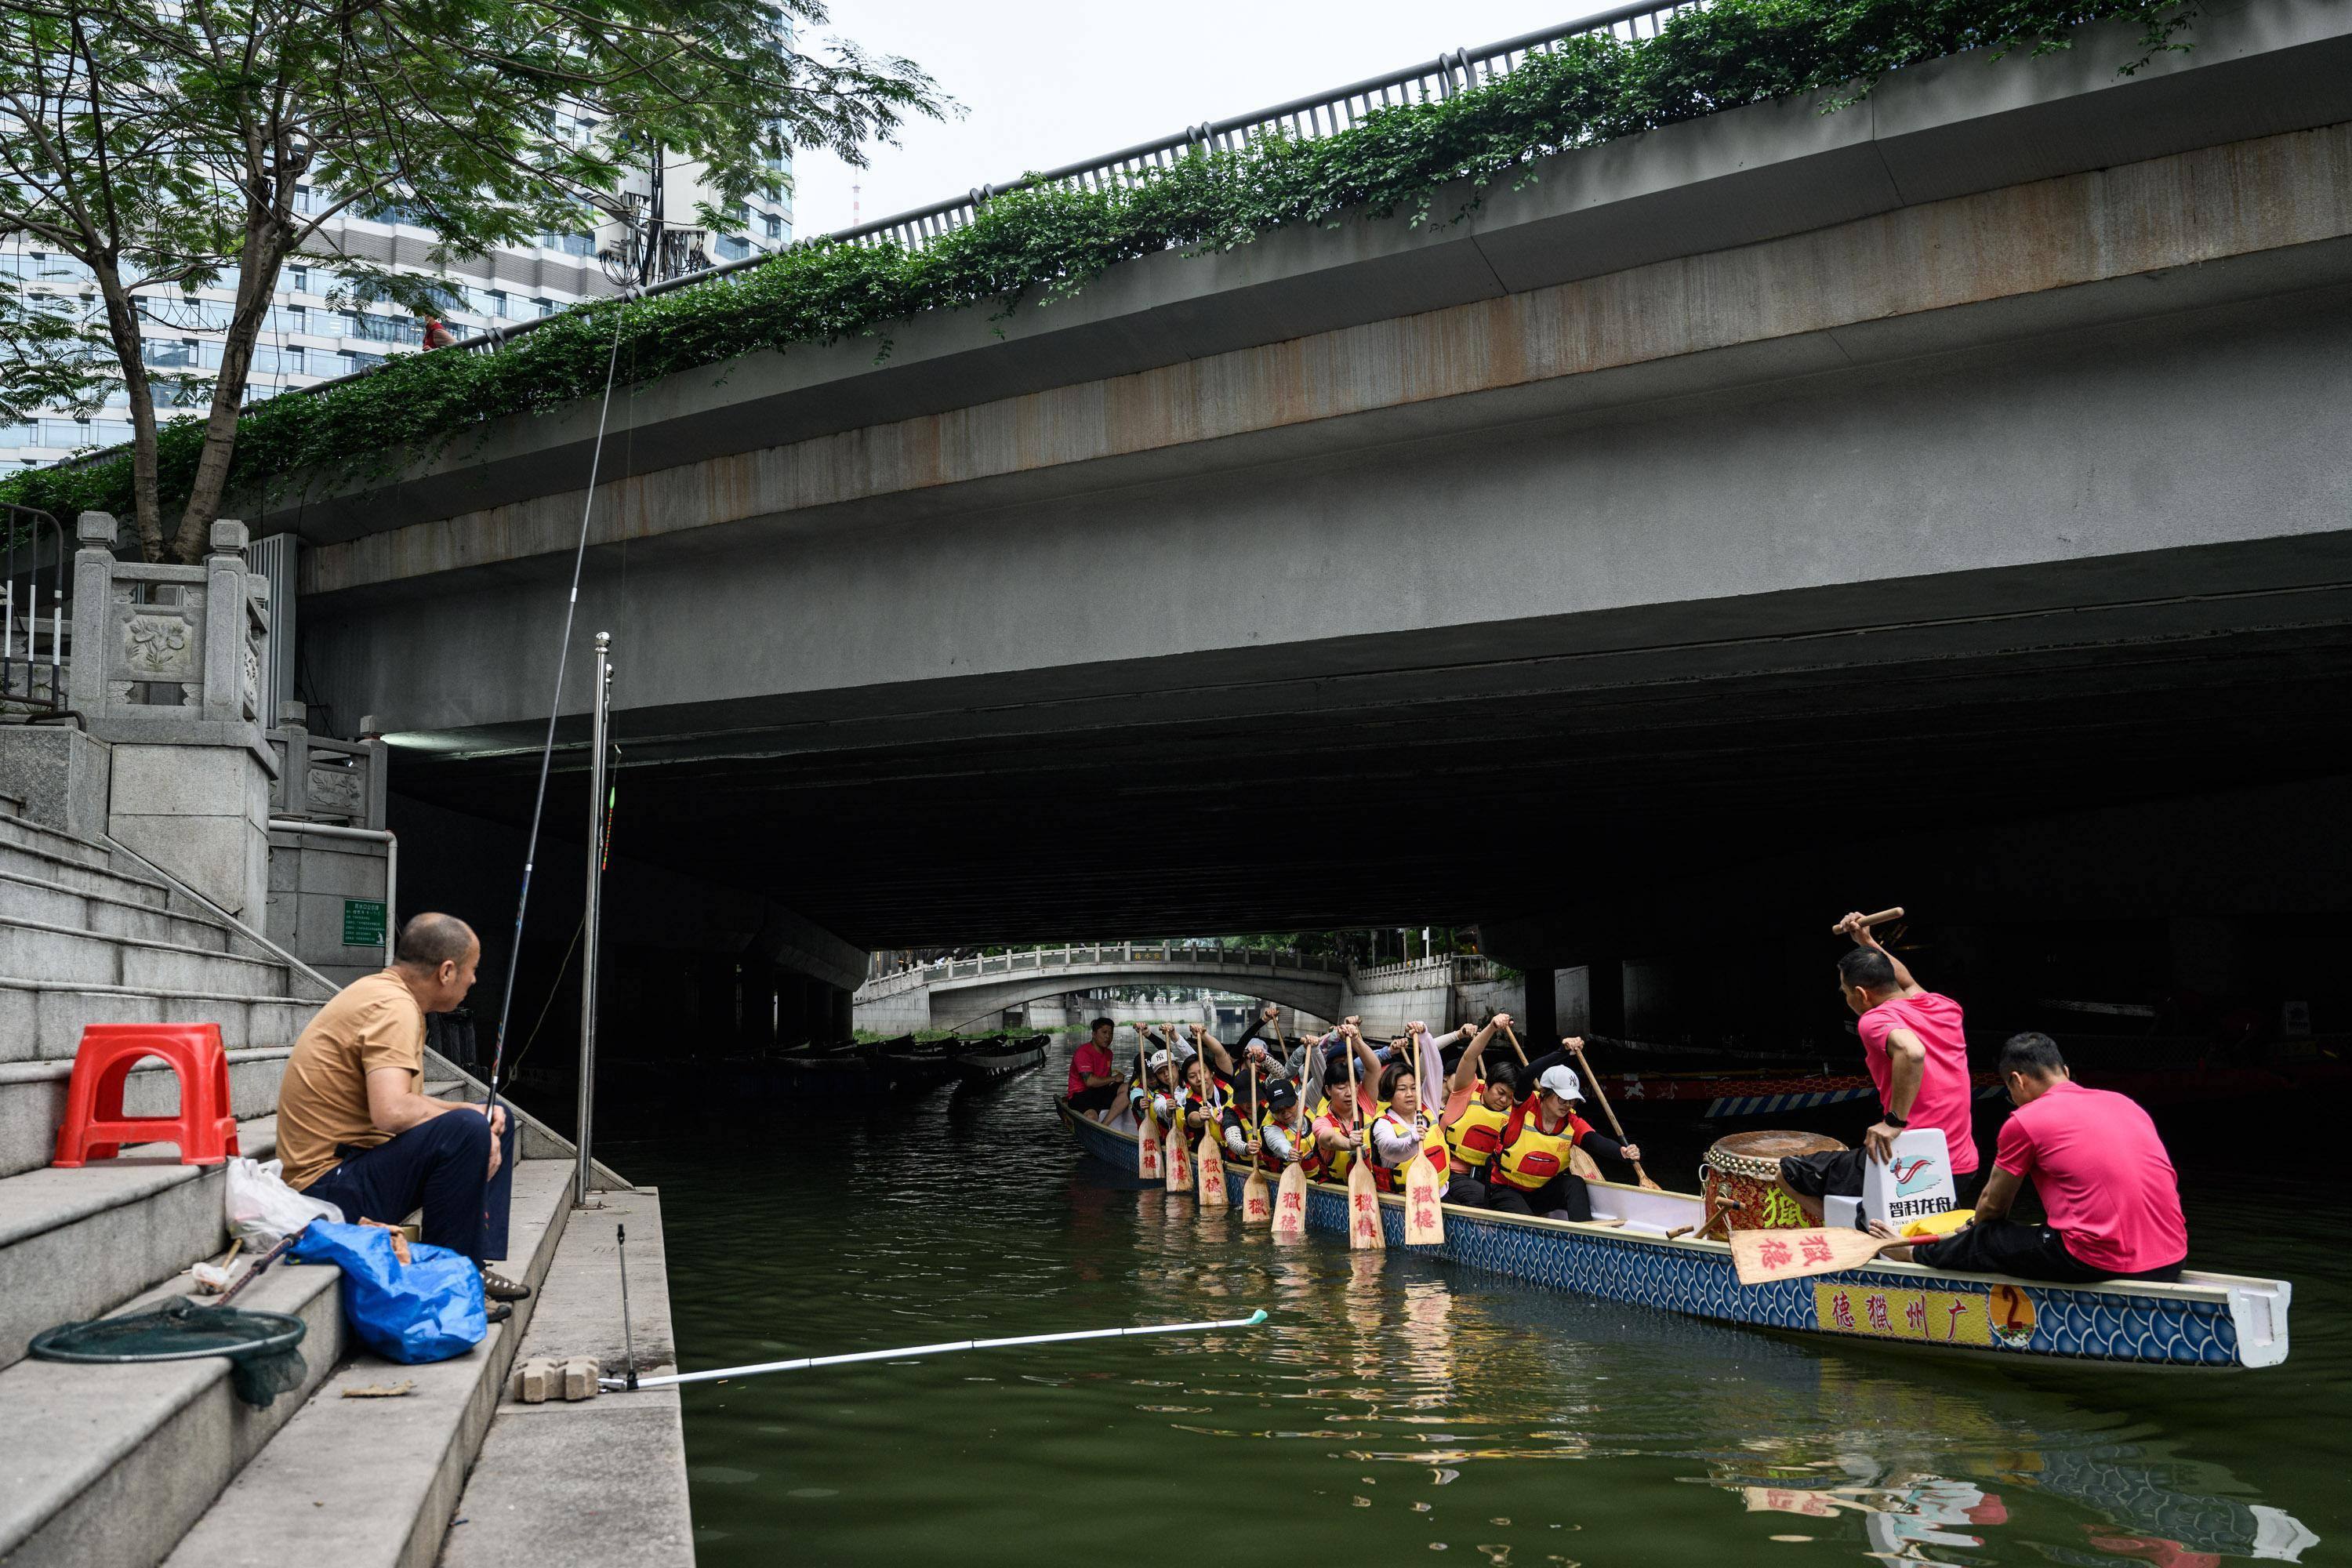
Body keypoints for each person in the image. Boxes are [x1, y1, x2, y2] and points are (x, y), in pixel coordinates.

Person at [276, 913, 527, 1312]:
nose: (474, 981)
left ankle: (473, 1263)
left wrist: (475, 1111)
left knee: (492, 1114)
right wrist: (470, 1121)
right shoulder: (394, 1008)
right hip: (325, 1190)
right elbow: (391, 1112)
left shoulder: (385, 994)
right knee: (468, 1128)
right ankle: (453, 1276)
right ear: (447, 971)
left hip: (352, 1168)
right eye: (472, 970)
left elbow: (405, 1107)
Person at [1875, 1033, 2188, 1283]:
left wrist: (1968, 1231)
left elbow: (1993, 1208)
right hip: (2173, 1256)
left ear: (2018, 1081)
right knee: (2028, 1230)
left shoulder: (2026, 1120)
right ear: (2065, 1072)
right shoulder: (2124, 1103)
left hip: (2096, 1260)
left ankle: (1910, 1256)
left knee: (1987, 1238)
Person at [1777, 912, 1980, 1222]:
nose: (1847, 999)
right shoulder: (1943, 1006)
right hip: (1960, 1168)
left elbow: (1912, 1052)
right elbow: (1907, 980)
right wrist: (1868, 942)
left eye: (1846, 993)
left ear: (1861, 994)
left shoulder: (1874, 1020)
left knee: (1787, 1174)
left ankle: (1852, 1231)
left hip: (1905, 1165)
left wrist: (1894, 1122)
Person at [1486, 1048, 1642, 1221]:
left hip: (1540, 1192)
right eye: (1562, 1099)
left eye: (1572, 1100)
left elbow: (1595, 1141)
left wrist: (1623, 1152)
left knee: (1574, 1183)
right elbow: (1526, 1075)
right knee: (1528, 1220)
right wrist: (1563, 1052)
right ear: (1545, 1093)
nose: (1567, 1105)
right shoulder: (1524, 1106)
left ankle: (1584, 1237)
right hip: (1506, 1190)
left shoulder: (1572, 1122)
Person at [1440, 1013, 1516, 1205]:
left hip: (1489, 1177)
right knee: (1483, 1199)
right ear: (1488, 1084)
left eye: (1510, 1096)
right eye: (1500, 1092)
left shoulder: (1515, 1109)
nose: (1504, 1099)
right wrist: (1492, 1027)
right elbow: (1469, 1056)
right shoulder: (1466, 1089)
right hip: (1451, 1172)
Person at [1068, 1018, 1125, 1116]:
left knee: (1127, 1089)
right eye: (1104, 1032)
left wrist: (1117, 1080)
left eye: (1111, 1033)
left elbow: (1107, 1077)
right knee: (1091, 1116)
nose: (1108, 1036)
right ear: (1094, 1034)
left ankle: (1106, 1123)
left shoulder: (1109, 1053)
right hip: (1081, 1095)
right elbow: (1090, 1082)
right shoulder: (1083, 1052)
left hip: (1100, 1092)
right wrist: (1114, 1078)